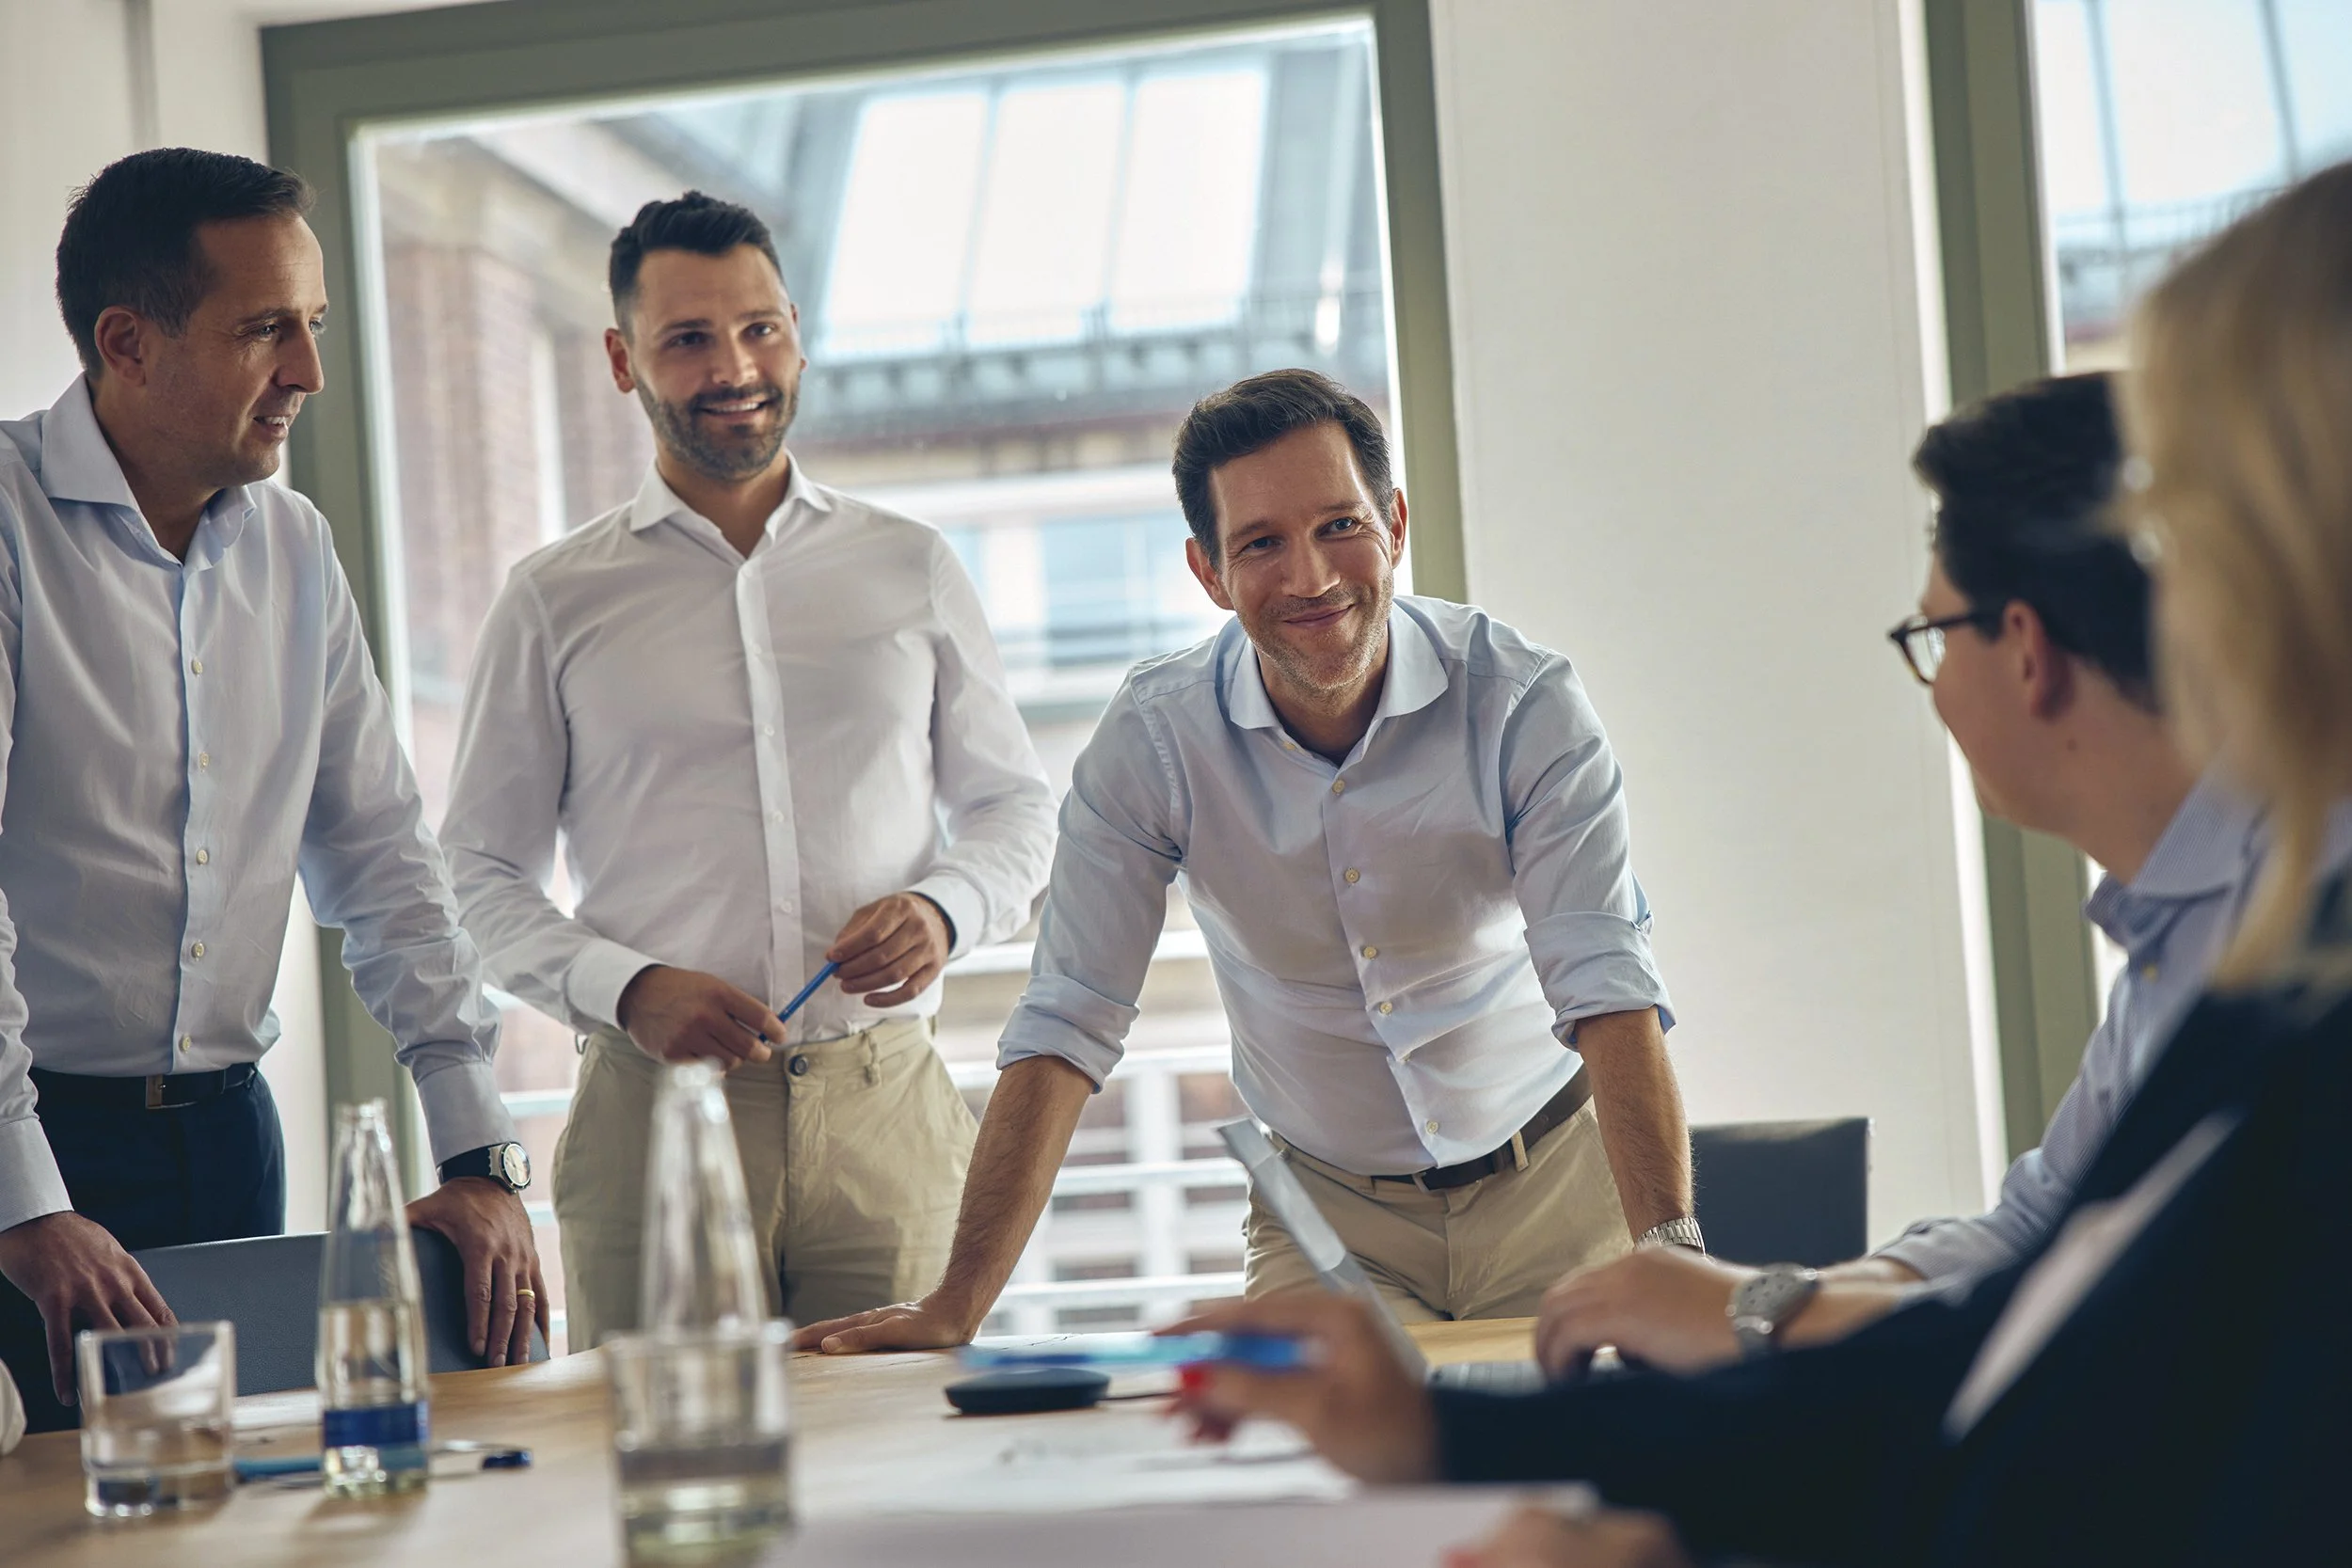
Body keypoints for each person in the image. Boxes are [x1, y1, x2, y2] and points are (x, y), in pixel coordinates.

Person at [1169, 160, 2352, 1568]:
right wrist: (1466, 1437)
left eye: (2196, 521)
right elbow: (2022, 1329)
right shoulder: (2255, 938)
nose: (2161, 580)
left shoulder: (2299, 989)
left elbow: (2097, 1437)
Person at [800, 368, 1693, 1354]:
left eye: (1339, 526)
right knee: (1311, 1484)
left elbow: (1606, 985)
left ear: (1394, 523)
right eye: (1261, 543)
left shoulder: (1524, 706)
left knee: (1604, 1475)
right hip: (1329, 1222)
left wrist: (1675, 1252)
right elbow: (1066, 1022)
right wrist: (956, 1302)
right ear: (1208, 572)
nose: (1310, 577)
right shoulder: (1153, 743)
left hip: (1559, 1185)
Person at [1533, 372, 2350, 1382]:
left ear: (2022, 648)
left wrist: (1759, 1313)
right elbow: (2038, 1217)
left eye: (1931, 636)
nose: (1935, 692)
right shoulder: (2178, 914)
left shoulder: (2297, 930)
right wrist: (1791, 1303)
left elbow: (2108, 1318)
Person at [439, 193, 1056, 1348]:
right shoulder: (552, 597)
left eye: (760, 328)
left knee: (901, 1492)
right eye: (688, 339)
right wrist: (628, 986)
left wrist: (944, 907)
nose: (735, 368)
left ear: (798, 334)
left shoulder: (909, 566)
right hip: (653, 1120)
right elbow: (475, 872)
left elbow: (1014, 806)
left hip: (888, 1112)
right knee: (674, 1480)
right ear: (624, 361)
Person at [0, 150, 545, 1434]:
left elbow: (381, 856)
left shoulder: (294, 544)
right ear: (127, 341)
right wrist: (23, 1196)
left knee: (243, 1504)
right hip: (34, 1142)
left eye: (312, 325)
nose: (307, 370)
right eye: (264, 330)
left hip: (230, 1138)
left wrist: (477, 1153)